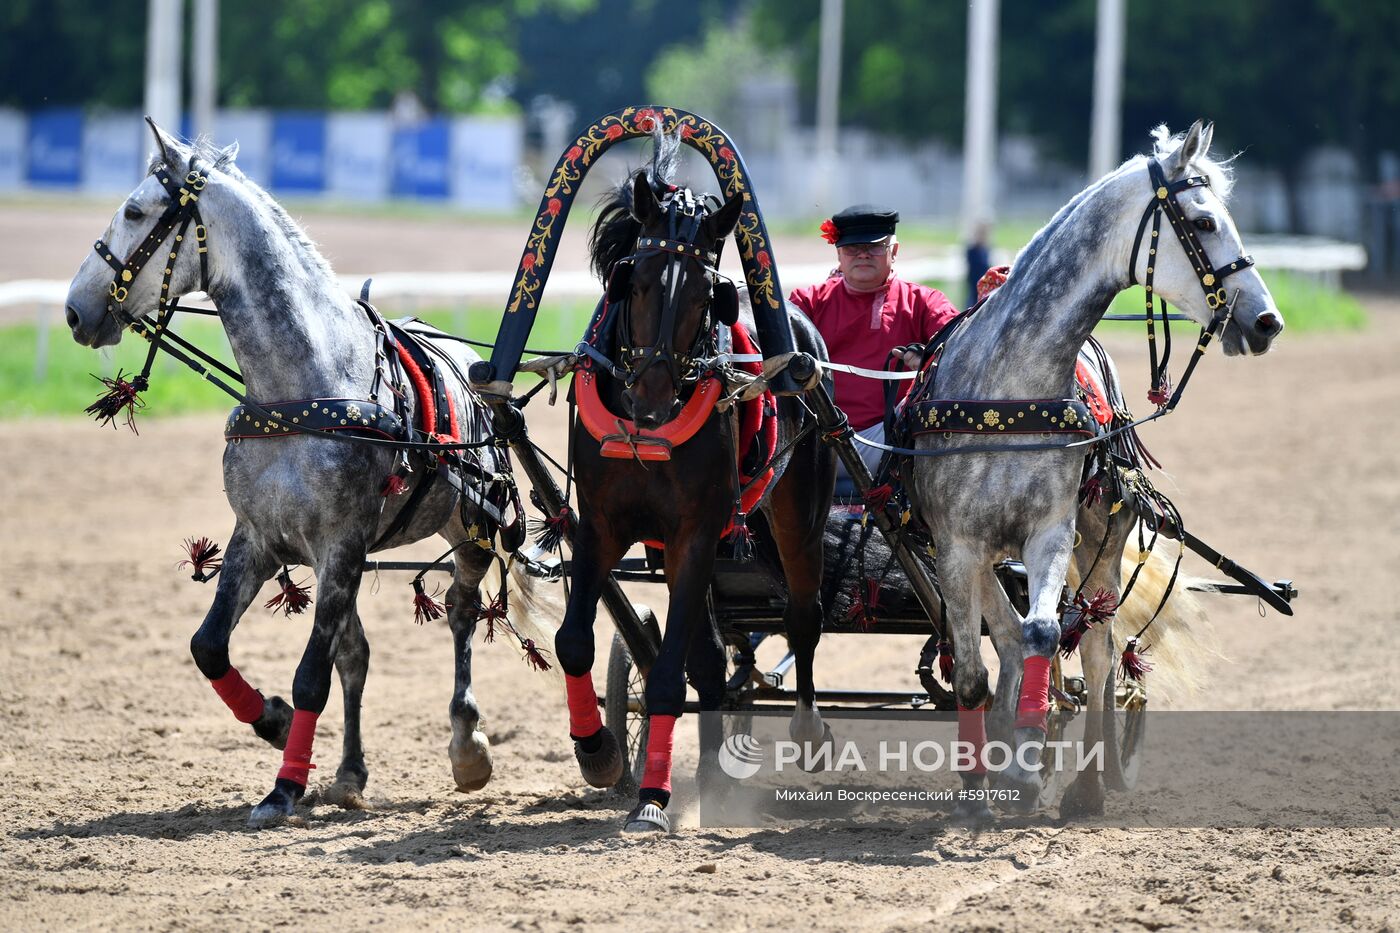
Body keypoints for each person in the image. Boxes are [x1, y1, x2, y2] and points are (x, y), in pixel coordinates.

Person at [789, 205, 959, 481]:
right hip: (815, 436)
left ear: (894, 252)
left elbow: (959, 351)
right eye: (853, 248)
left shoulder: (925, 302)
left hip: (892, 438)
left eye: (875, 247)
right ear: (839, 255)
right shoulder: (808, 301)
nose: (863, 254)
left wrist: (929, 361)